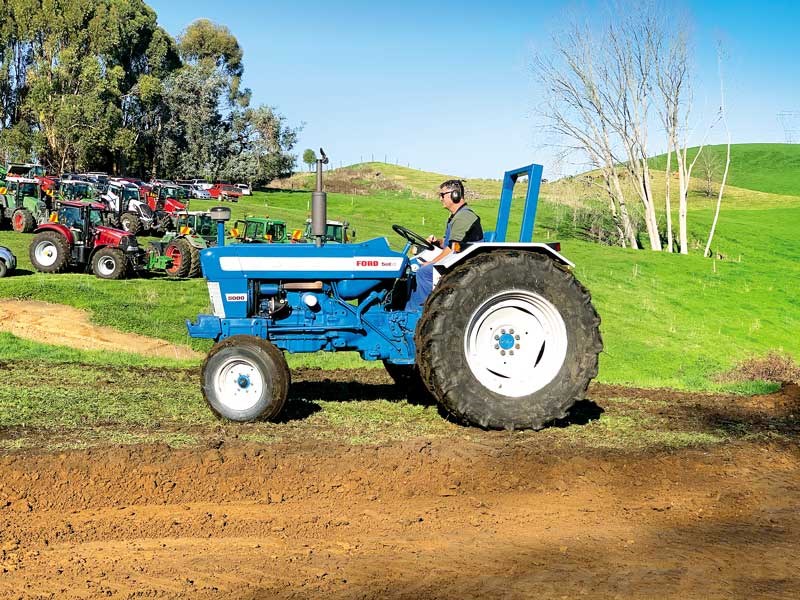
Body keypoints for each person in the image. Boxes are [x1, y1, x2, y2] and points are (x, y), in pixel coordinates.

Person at [406, 179, 483, 310]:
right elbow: (449, 243)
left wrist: (432, 263)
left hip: (465, 261)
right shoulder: (455, 216)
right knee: (412, 265)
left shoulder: (464, 216)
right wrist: (438, 242)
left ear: (455, 194)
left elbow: (452, 248)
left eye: (442, 195)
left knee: (424, 272)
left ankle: (420, 312)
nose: (440, 198)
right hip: (457, 255)